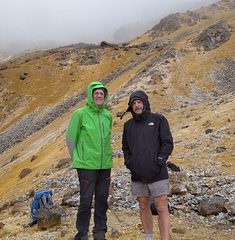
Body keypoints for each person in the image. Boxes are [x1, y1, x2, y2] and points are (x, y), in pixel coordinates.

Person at [121, 90, 174, 240]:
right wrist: (129, 163)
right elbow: (125, 147)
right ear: (131, 107)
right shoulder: (128, 125)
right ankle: (148, 236)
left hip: (157, 172)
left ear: (145, 103)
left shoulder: (158, 120)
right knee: (143, 205)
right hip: (137, 174)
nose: (137, 105)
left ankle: (165, 238)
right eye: (134, 103)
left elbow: (167, 142)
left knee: (161, 206)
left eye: (139, 102)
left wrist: (160, 160)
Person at [66, 81, 113, 240]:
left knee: (102, 201)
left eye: (102, 94)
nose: (99, 96)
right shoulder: (80, 113)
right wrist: (77, 159)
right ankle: (82, 234)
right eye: (96, 93)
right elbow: (71, 138)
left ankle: (100, 233)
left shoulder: (108, 115)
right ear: (91, 96)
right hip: (86, 166)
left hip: (105, 165)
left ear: (105, 96)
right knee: (86, 201)